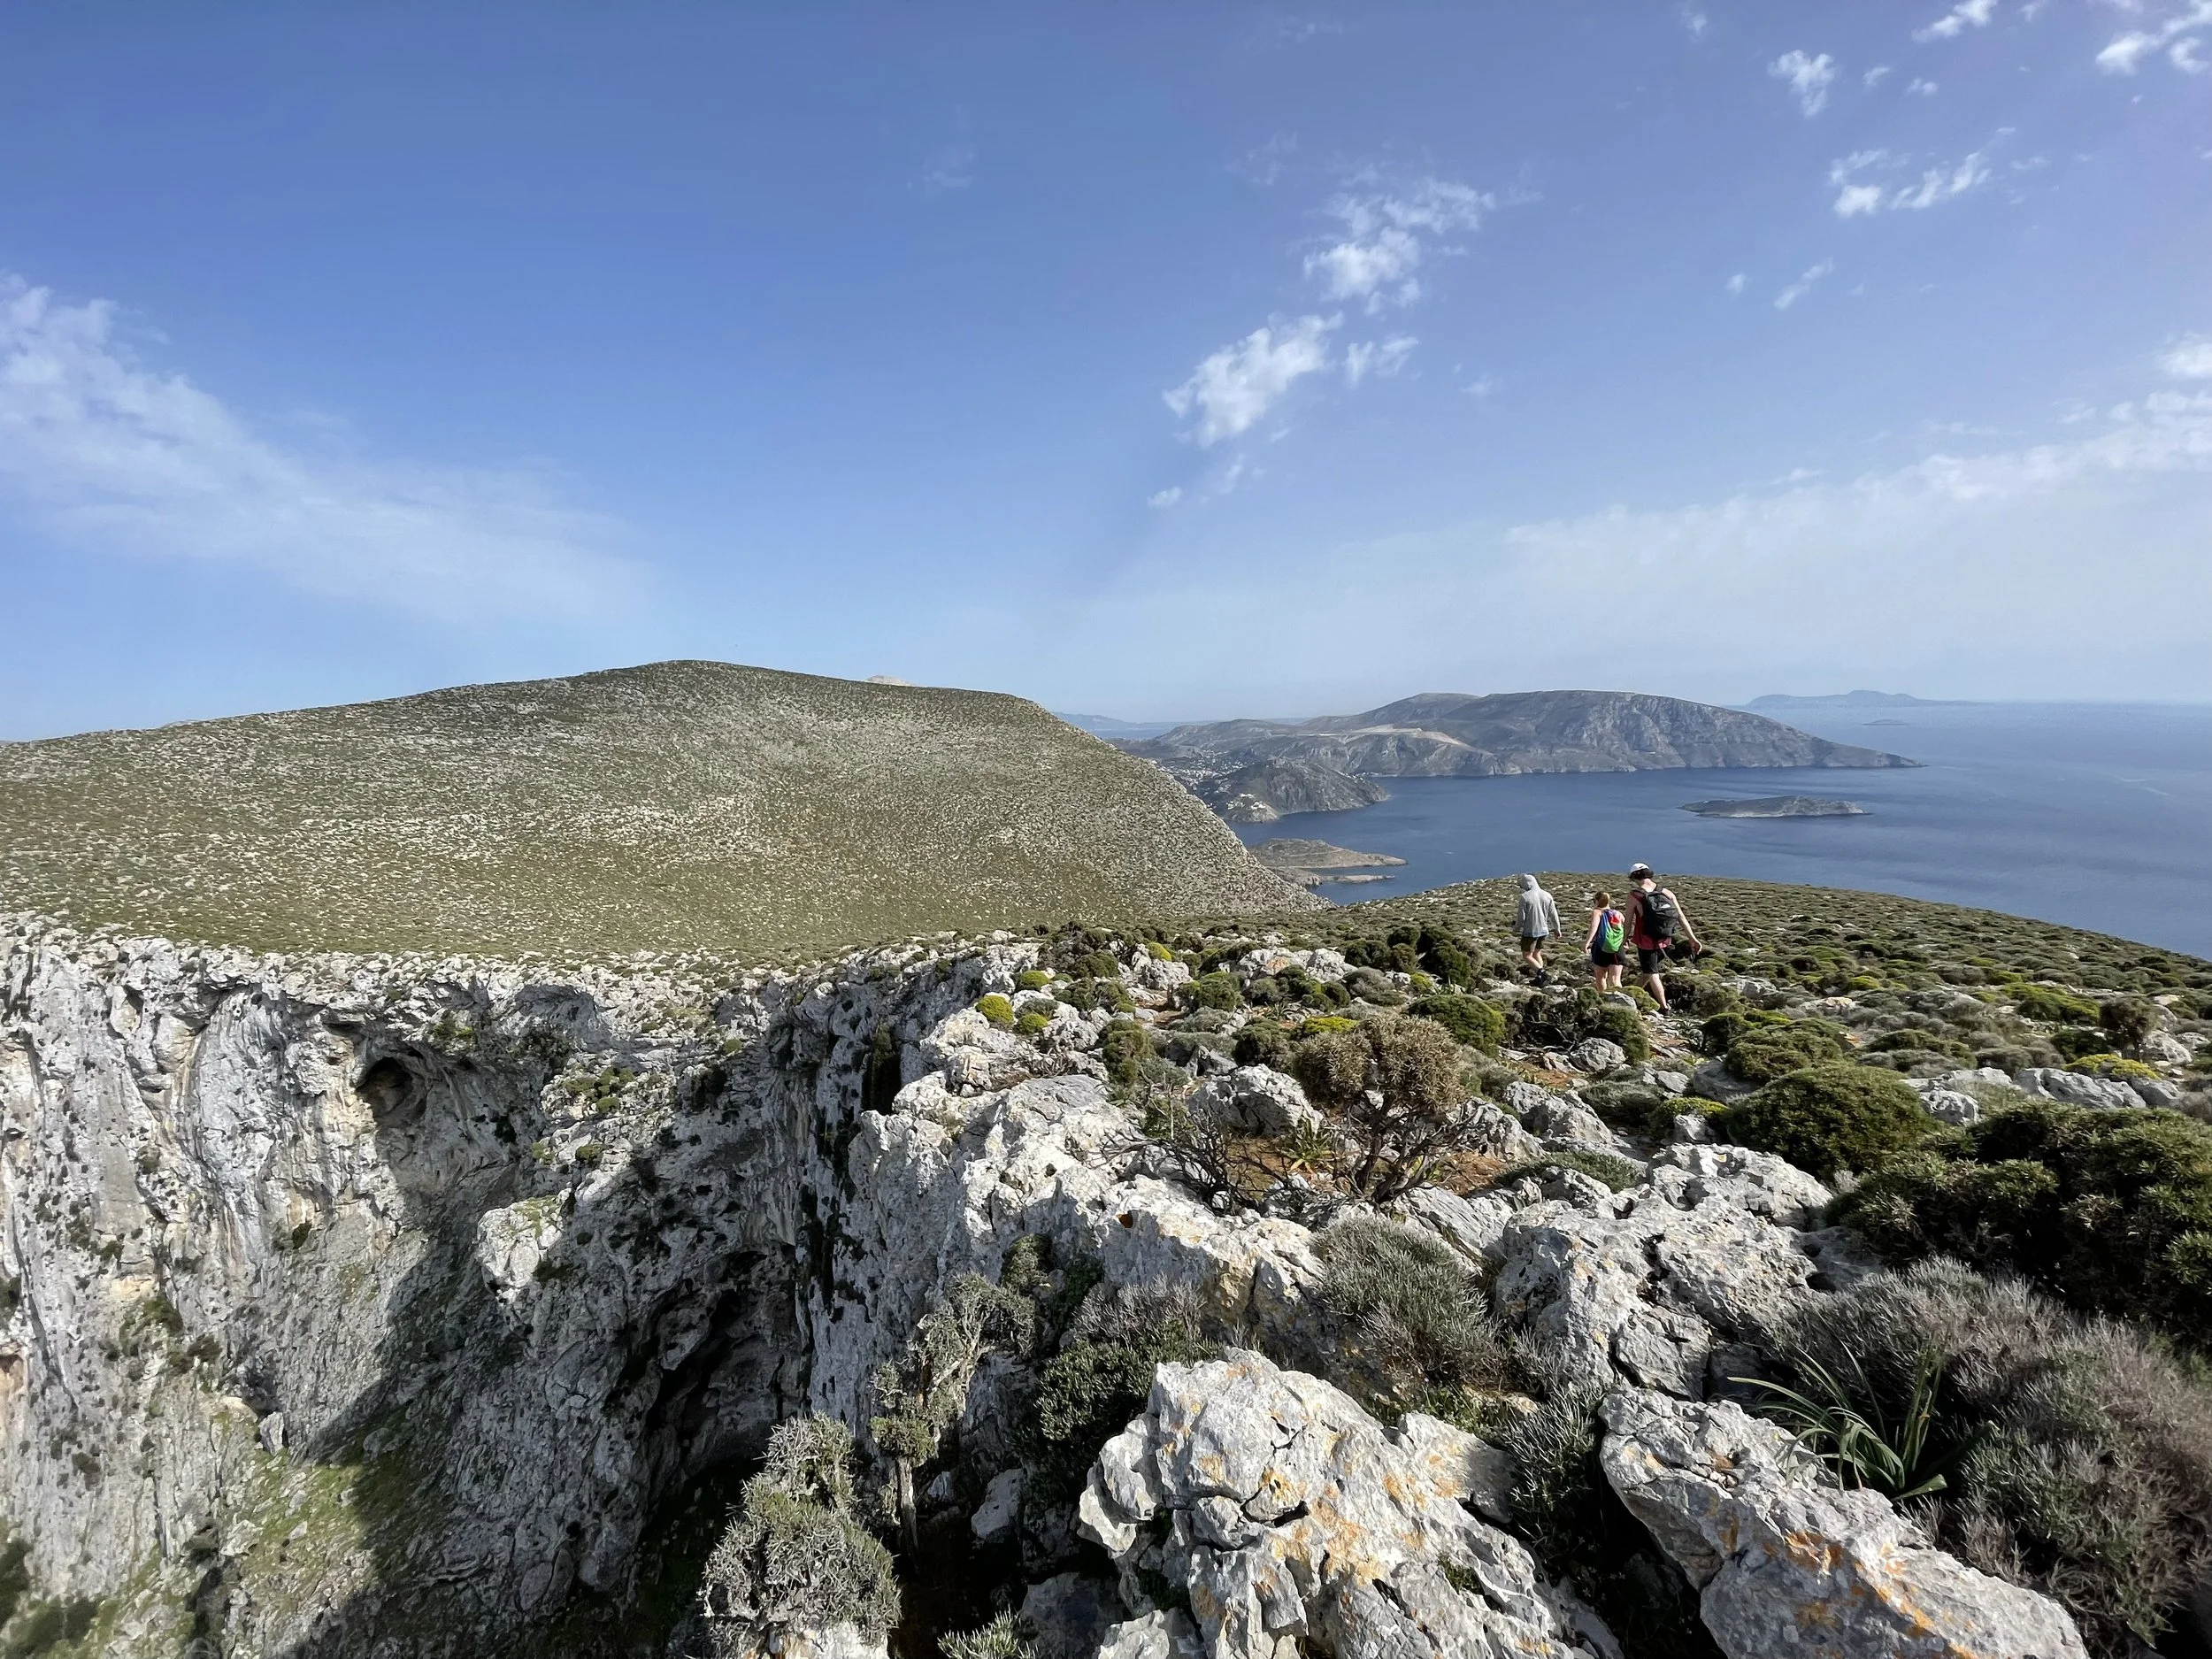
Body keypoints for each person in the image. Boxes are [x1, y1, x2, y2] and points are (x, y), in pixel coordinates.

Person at [1626, 864, 1701, 1010]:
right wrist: (1692, 938)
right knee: (1648, 970)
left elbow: (1627, 922)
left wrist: (1623, 941)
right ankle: (1632, 993)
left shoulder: (1636, 895)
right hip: (1664, 939)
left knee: (1652, 972)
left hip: (1645, 940)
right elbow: (1681, 917)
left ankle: (1664, 1006)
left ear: (1634, 877)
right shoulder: (1667, 893)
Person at [1513, 873, 1562, 984]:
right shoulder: (1547, 895)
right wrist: (1557, 929)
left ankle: (1542, 973)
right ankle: (1540, 979)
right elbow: (1554, 914)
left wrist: (1516, 928)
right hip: (1544, 930)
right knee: (1537, 953)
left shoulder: (1525, 897)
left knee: (1527, 955)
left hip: (1530, 931)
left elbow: (1521, 917)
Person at [1585, 888, 1627, 991]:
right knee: (1616, 979)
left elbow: (1593, 928)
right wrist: (1626, 942)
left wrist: (1587, 943)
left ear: (1597, 901)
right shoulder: (1618, 914)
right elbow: (1625, 929)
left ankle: (1603, 998)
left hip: (1601, 948)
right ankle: (1620, 1001)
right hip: (1618, 948)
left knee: (1601, 977)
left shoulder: (1597, 912)